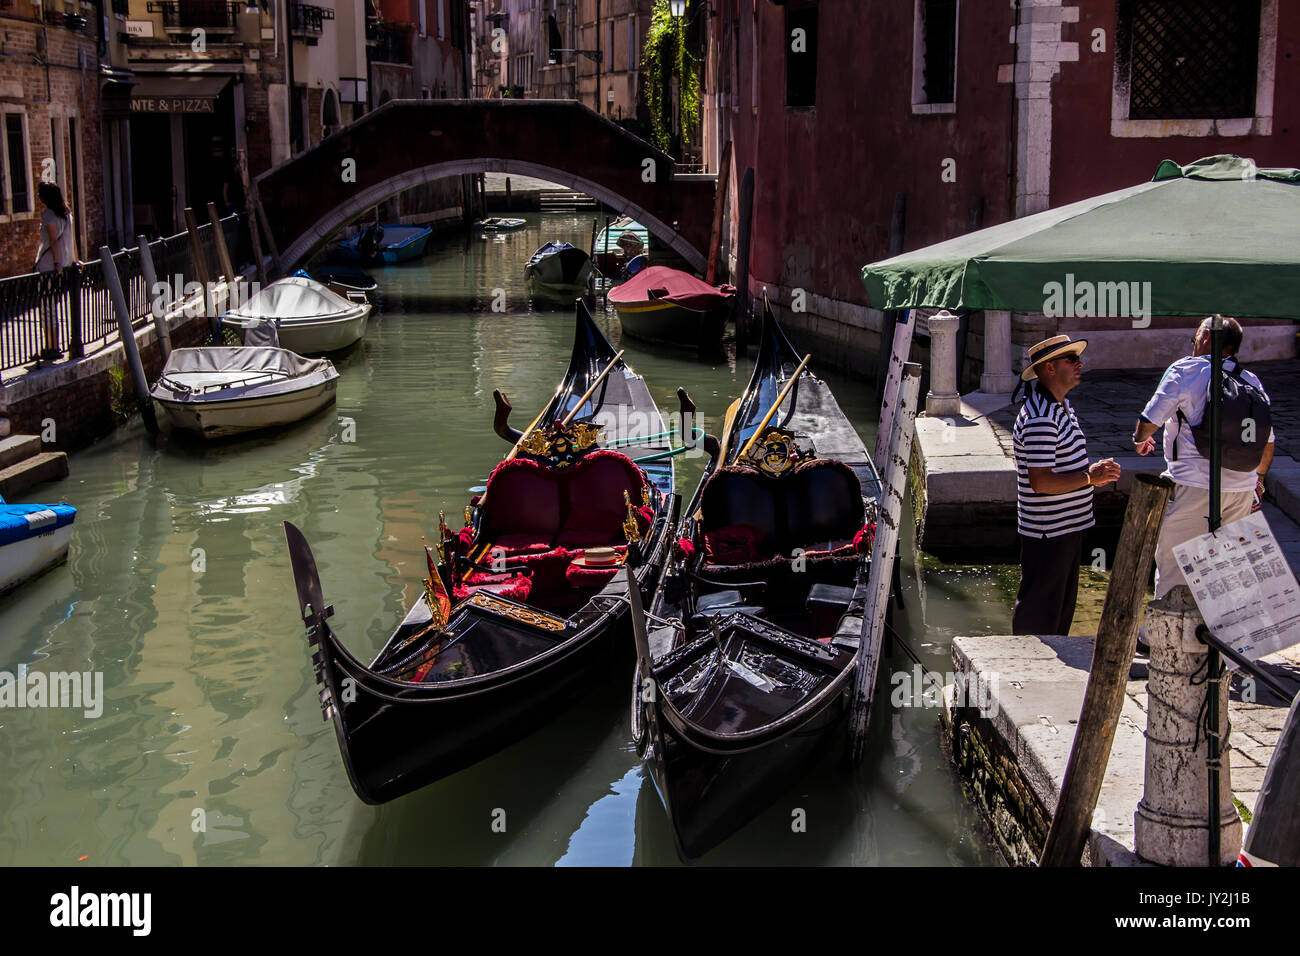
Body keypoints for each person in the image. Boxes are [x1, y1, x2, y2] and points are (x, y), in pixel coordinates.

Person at [1132, 316, 1274, 599]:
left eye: (1195, 338)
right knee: (1223, 568)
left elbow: (1149, 421)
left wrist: (1139, 439)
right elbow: (1267, 442)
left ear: (1207, 337)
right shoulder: (1251, 380)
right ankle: (1216, 635)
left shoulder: (1186, 370)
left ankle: (1162, 638)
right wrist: (1257, 479)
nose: (1194, 344)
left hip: (1193, 486)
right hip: (1241, 490)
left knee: (1175, 565)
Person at [1012, 334, 1121, 635]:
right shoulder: (1040, 417)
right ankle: (1024, 670)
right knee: (1039, 613)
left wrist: (1092, 474)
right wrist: (1090, 477)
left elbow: (1060, 467)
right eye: (1071, 359)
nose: (1079, 364)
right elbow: (1041, 482)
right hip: (1048, 532)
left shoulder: (1062, 407)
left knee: (1058, 614)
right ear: (1049, 368)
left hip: (1066, 528)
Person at [33, 182, 78, 273]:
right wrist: (75, 260)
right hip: (66, 264)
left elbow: (53, 241)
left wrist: (57, 263)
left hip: (50, 265)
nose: (39, 197)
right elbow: (72, 238)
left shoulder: (48, 215)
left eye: (40, 194)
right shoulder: (67, 213)